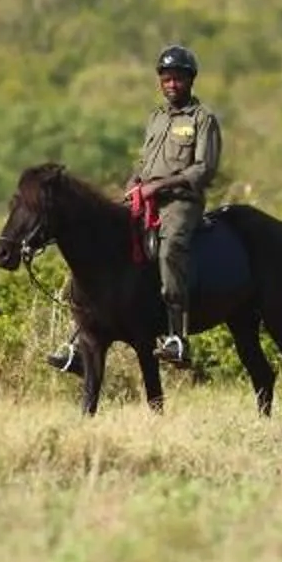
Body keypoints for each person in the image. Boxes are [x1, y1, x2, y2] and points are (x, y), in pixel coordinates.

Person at [45, 43, 220, 373]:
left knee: (169, 251)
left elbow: (203, 170)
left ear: (191, 80)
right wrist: (134, 183)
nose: (171, 84)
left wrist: (159, 185)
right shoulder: (156, 118)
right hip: (147, 198)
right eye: (166, 78)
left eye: (178, 78)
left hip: (181, 202)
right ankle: (80, 342)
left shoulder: (203, 119)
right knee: (102, 245)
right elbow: (144, 162)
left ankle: (176, 338)